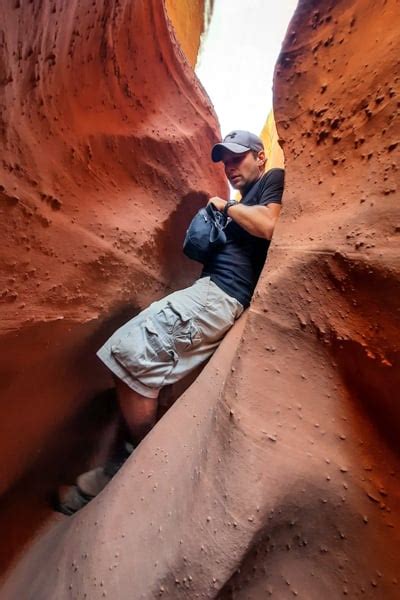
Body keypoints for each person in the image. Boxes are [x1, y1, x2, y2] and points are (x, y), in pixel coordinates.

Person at [57, 130, 284, 514]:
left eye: (237, 158)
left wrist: (223, 207)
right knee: (144, 369)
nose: (229, 168)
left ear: (260, 157)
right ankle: (126, 465)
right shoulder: (244, 201)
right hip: (209, 293)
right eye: (224, 162)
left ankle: (138, 465)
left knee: (128, 352)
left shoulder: (272, 180)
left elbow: (270, 225)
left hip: (220, 296)